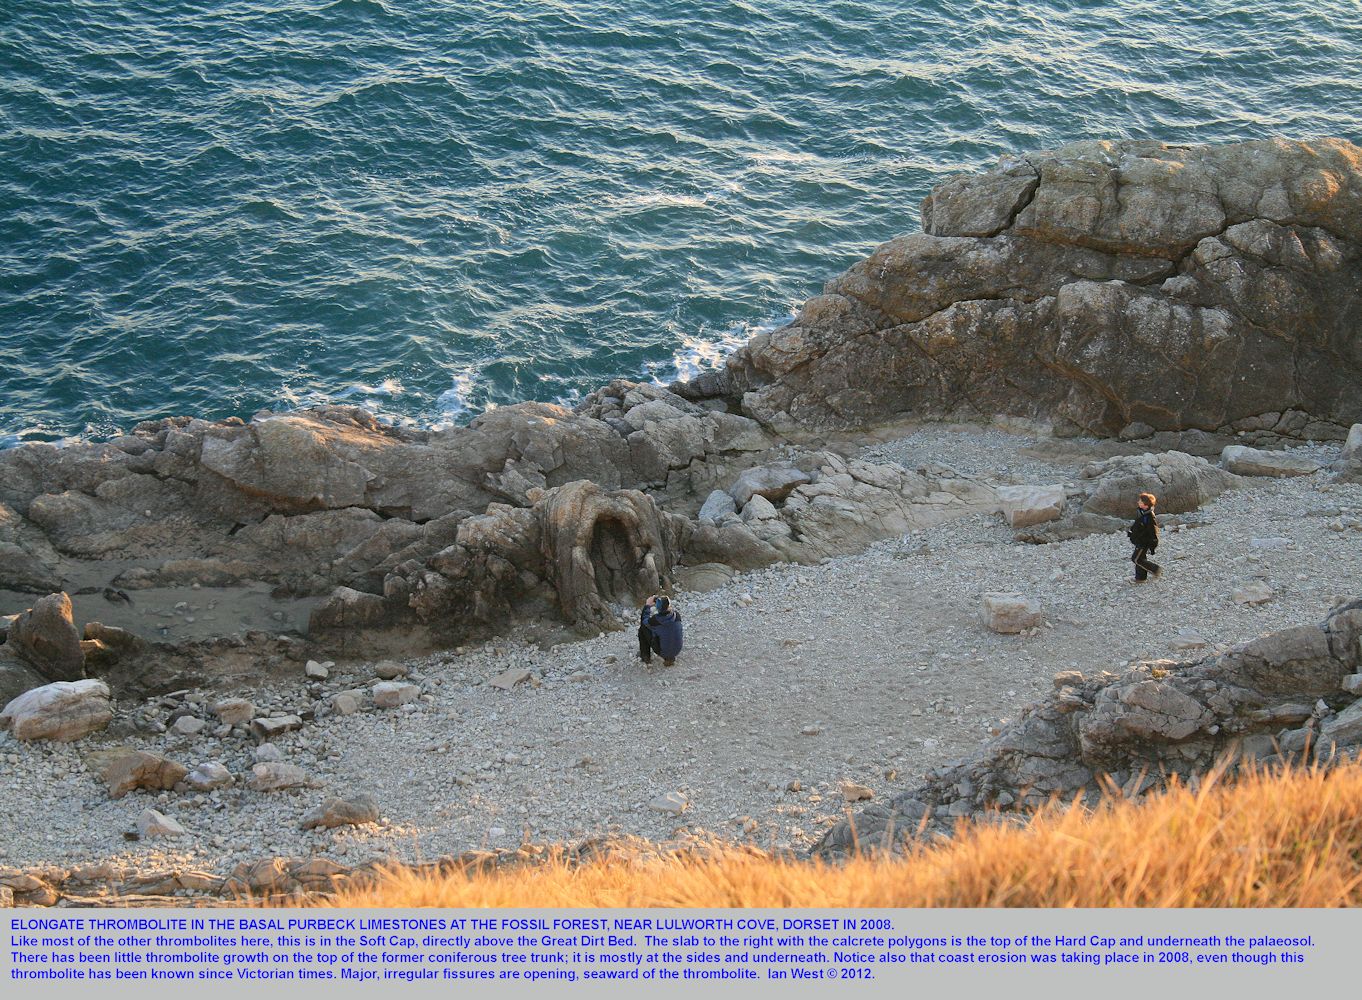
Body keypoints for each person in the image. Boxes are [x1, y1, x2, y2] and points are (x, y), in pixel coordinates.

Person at [638, 594, 683, 667]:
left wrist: (647, 606)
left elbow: (644, 621)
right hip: (677, 650)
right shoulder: (676, 616)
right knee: (669, 631)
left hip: (662, 652)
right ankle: (670, 658)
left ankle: (646, 657)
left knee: (642, 629)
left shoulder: (655, 620)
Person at [1127, 491, 1161, 581]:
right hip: (1139, 540)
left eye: (1140, 501)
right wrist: (1131, 532)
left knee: (1136, 559)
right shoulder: (1141, 512)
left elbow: (1153, 532)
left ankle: (1155, 569)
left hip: (1143, 542)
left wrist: (1153, 545)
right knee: (1141, 558)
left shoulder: (1149, 517)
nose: (1138, 502)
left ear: (1145, 505)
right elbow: (1138, 525)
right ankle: (1140, 578)